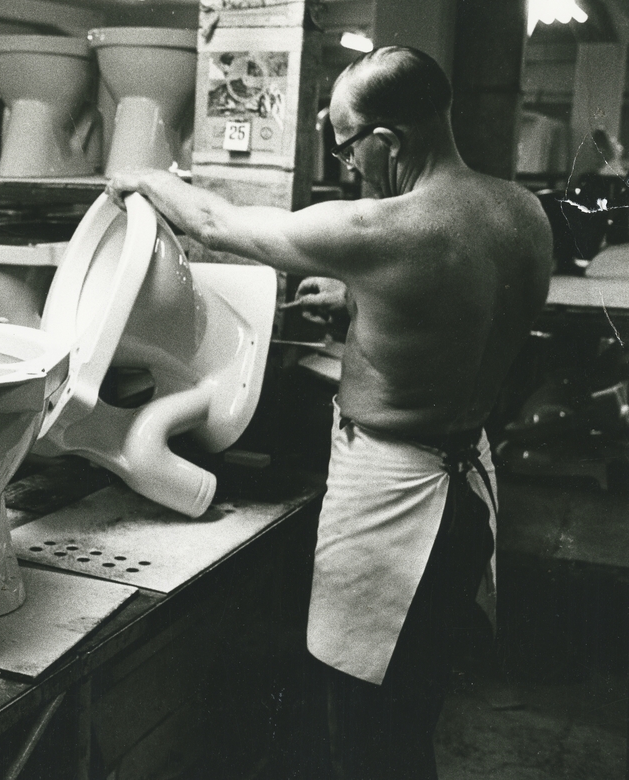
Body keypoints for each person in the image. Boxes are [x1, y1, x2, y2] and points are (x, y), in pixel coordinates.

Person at [108, 46, 552, 779]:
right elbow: (465, 303)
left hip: (394, 501)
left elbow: (217, 223)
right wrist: (360, 298)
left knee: (361, 727)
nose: (348, 164)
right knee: (415, 701)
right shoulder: (524, 212)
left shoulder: (380, 230)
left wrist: (147, 177)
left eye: (347, 145)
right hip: (469, 481)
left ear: (389, 141)